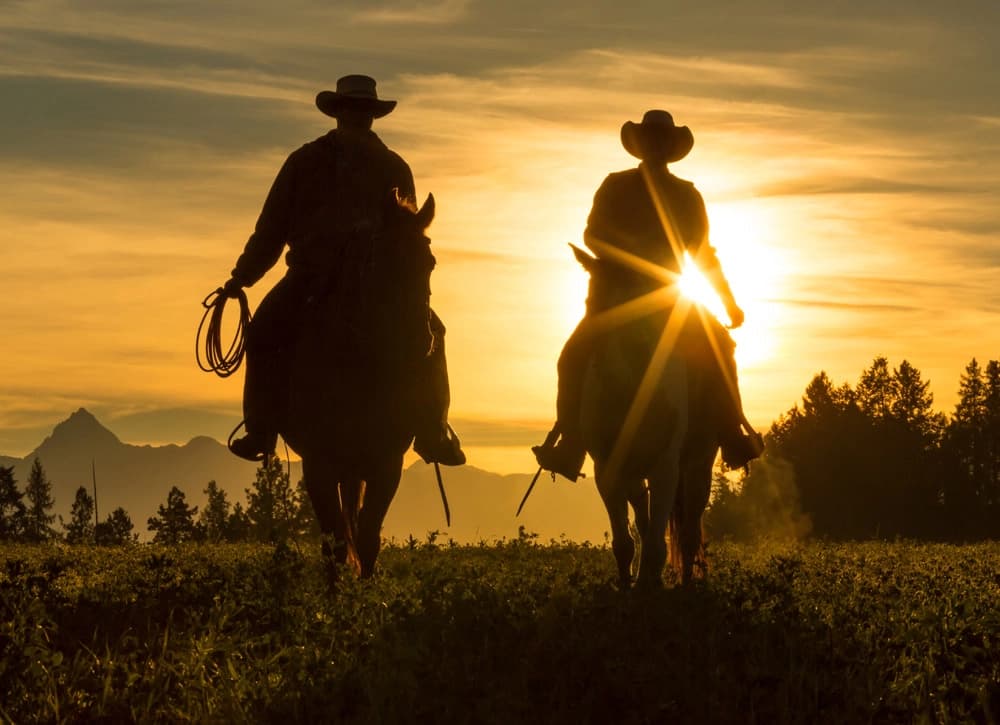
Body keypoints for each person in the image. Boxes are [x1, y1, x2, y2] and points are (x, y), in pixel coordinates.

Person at [222, 74, 465, 466]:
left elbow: (408, 234)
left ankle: (433, 428)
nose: (358, 117)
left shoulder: (393, 167)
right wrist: (242, 276)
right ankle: (261, 428)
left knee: (432, 332)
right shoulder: (304, 162)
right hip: (308, 276)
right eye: (353, 109)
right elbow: (272, 228)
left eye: (363, 110)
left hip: (376, 283)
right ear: (339, 113)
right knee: (263, 329)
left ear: (371, 115)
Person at [532, 110, 763, 480]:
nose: (655, 148)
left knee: (722, 348)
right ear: (641, 147)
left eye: (661, 142)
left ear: (669, 149)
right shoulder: (614, 186)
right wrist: (623, 255)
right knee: (571, 357)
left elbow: (703, 252)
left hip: (670, 297)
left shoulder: (688, 195)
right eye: (650, 142)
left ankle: (731, 433)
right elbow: (591, 234)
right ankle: (572, 444)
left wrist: (728, 300)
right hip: (617, 292)